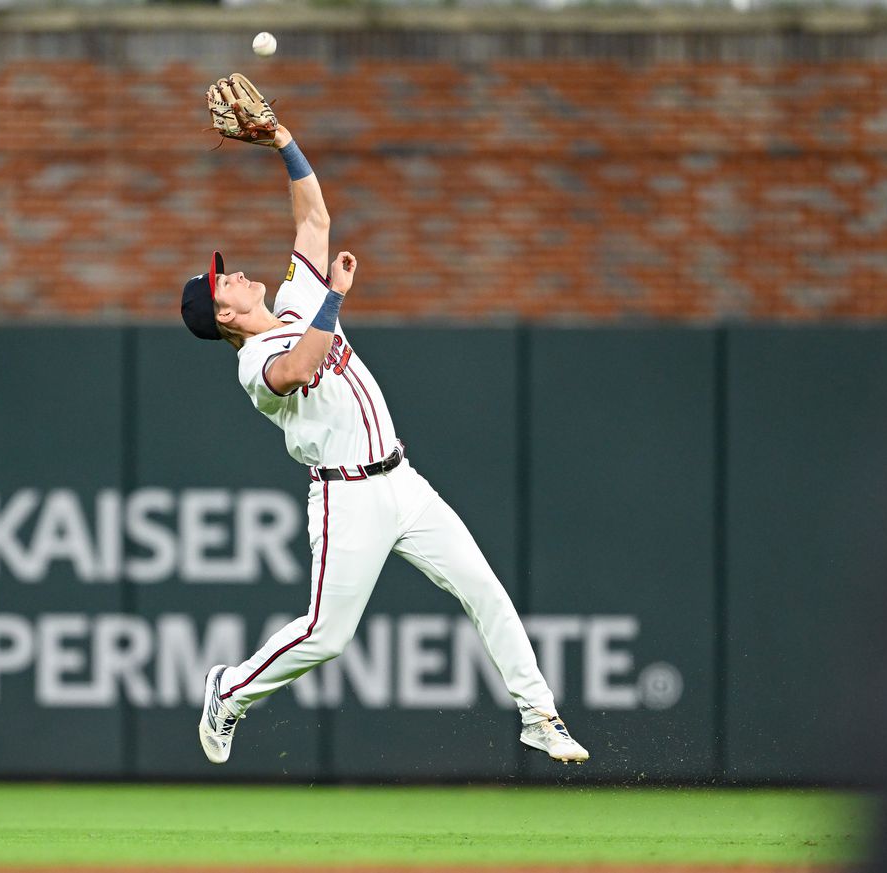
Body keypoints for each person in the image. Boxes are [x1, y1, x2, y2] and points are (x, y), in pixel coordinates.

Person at [180, 77, 588, 767]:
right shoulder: (253, 362)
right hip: (345, 495)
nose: (238, 272)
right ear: (223, 314)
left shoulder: (291, 299)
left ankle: (538, 714)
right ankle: (231, 687)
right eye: (225, 280)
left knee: (483, 586)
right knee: (325, 634)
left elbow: (314, 222)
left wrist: (282, 140)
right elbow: (303, 367)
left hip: (402, 478)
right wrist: (334, 298)